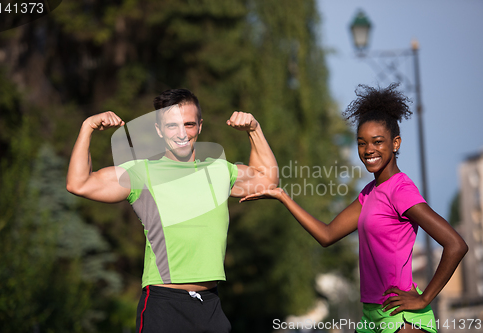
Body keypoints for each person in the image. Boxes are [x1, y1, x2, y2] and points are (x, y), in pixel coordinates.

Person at [240, 84, 468, 333]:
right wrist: (282, 196)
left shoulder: (400, 190)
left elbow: (455, 244)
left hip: (400, 318)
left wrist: (425, 299)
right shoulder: (369, 194)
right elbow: (327, 235)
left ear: (395, 143)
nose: (368, 150)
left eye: (377, 142)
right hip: (371, 315)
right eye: (362, 143)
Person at [66, 88, 278, 333]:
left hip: (210, 306)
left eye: (188, 124)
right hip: (163, 306)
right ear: (159, 130)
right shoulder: (140, 173)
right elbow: (78, 183)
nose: (181, 134)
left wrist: (254, 130)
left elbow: (268, 181)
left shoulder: (220, 171)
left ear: (200, 126)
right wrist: (87, 127)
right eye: (172, 126)